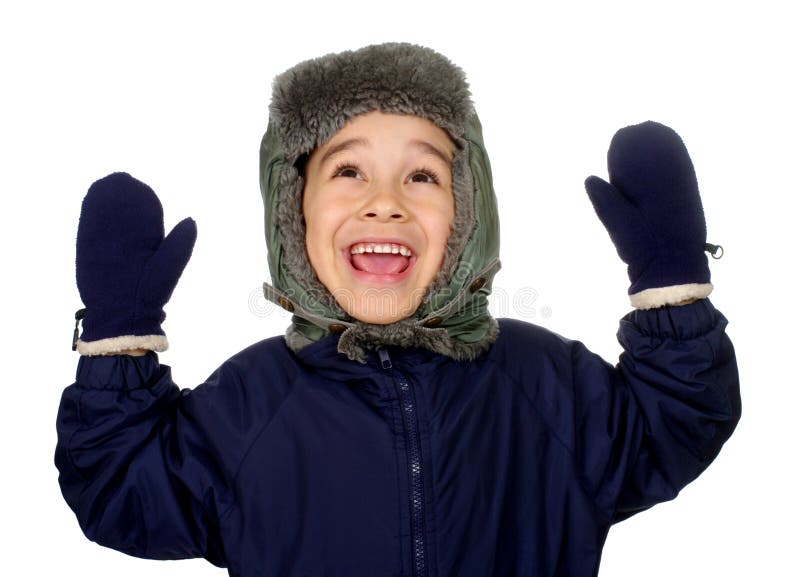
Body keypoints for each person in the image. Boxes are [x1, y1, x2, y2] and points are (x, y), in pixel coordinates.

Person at [56, 42, 741, 577]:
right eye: (348, 170)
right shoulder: (248, 407)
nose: (385, 200)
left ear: (469, 213)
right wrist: (119, 341)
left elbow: (676, 420)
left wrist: (672, 284)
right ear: (292, 211)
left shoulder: (545, 386)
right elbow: (121, 487)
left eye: (422, 174)